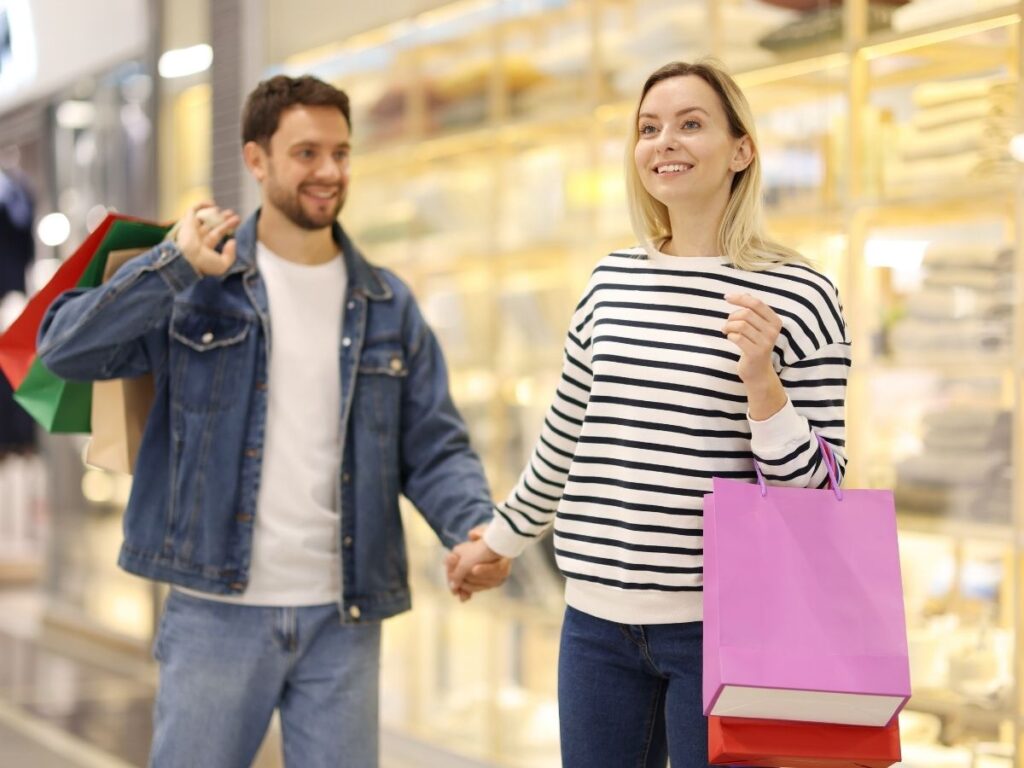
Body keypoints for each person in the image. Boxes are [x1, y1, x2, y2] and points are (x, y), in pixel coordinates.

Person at [37, 74, 510, 768]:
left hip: (344, 615)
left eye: (342, 153)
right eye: (307, 153)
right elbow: (64, 350)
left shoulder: (386, 302)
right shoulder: (201, 284)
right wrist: (171, 268)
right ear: (255, 159)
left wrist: (474, 524)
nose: (329, 172)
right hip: (214, 608)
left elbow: (433, 444)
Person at [447, 59, 851, 768]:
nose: (664, 141)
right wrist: (500, 543)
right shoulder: (610, 282)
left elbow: (821, 490)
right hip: (594, 625)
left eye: (691, 124)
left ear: (741, 150)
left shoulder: (801, 293)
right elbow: (565, 440)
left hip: (724, 629)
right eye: (649, 128)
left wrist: (763, 385)